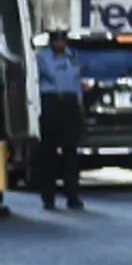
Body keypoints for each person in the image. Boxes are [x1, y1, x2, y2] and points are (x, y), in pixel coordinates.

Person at [34, 30, 84, 211]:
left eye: (63, 41)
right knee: (49, 153)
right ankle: (48, 198)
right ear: (51, 42)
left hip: (69, 104)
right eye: (56, 41)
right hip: (51, 102)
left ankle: (73, 196)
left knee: (71, 152)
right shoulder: (42, 57)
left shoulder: (72, 56)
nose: (60, 45)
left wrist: (79, 102)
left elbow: (77, 79)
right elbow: (40, 78)